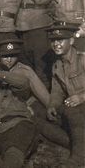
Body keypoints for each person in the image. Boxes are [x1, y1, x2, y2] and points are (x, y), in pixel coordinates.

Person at [0, 39, 69, 148]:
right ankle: (72, 144)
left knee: (55, 118)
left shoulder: (24, 70)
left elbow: (43, 95)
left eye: (12, 55)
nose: (9, 60)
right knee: (40, 124)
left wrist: (52, 108)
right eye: (5, 56)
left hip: (32, 104)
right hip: (15, 110)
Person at [46, 23, 85, 167]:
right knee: (41, 122)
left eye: (61, 40)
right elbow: (57, 90)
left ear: (72, 40)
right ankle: (79, 146)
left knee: (71, 111)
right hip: (76, 110)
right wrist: (52, 105)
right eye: (53, 40)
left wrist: (81, 97)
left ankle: (79, 157)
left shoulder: (83, 58)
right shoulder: (56, 65)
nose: (56, 44)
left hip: (80, 105)